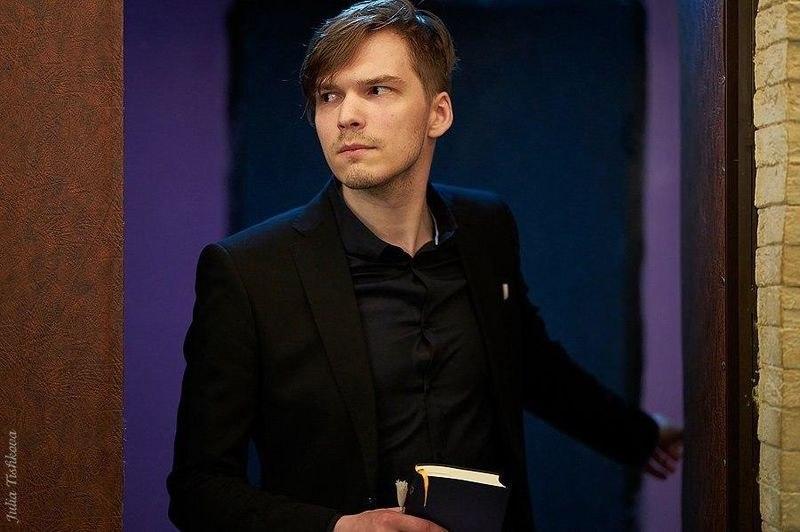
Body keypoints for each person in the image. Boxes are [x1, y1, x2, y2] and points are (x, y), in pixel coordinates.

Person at [166, 1, 683, 530]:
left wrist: (640, 435)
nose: (346, 116)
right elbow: (197, 490)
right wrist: (340, 528)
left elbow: (530, 363)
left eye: (377, 89)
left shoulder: (486, 227)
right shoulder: (250, 271)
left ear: (438, 113)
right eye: (329, 96)